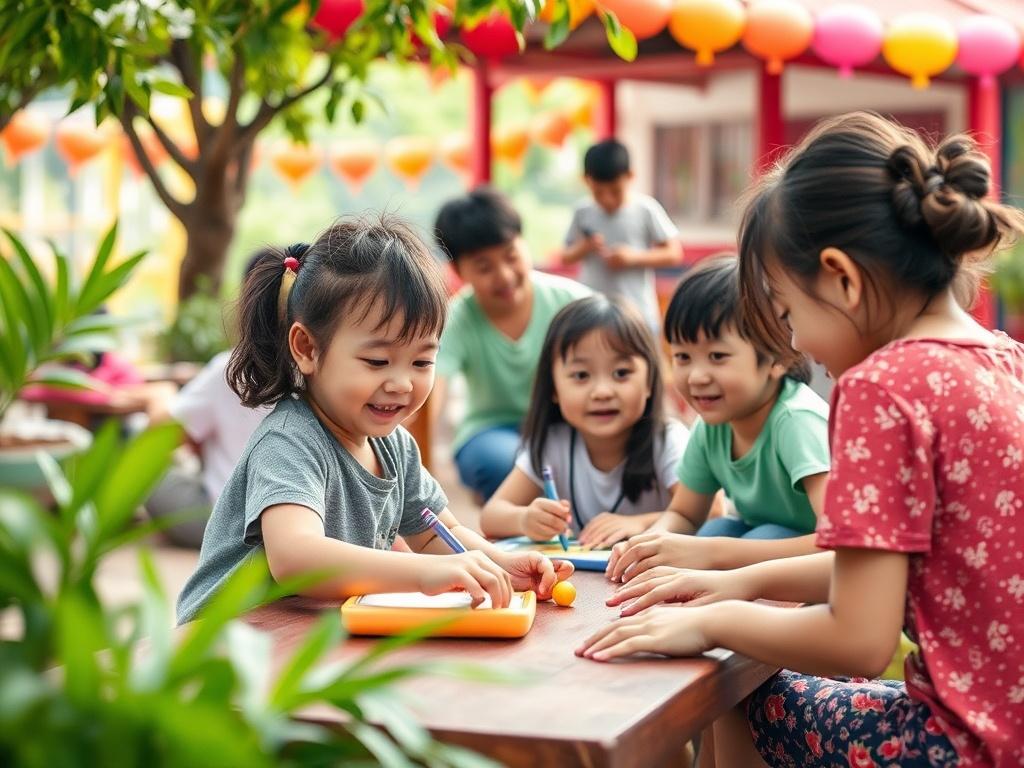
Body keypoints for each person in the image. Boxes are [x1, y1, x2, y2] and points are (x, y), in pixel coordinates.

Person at [577, 112, 1024, 768]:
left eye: (788, 313)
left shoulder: (883, 385)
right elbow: (888, 569)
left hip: (959, 744)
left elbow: (859, 638)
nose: (793, 344)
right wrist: (734, 584)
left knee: (739, 685)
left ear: (841, 278)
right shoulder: (1004, 359)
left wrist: (712, 622)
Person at [176, 217, 572, 624]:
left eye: (422, 361)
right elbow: (294, 557)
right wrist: (425, 574)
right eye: (377, 361)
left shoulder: (395, 446)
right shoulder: (289, 440)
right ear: (307, 348)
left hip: (305, 638)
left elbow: (437, 533)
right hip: (224, 643)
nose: (401, 383)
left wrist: (501, 565)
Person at [606, 255, 830, 582]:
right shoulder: (712, 426)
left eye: (717, 356)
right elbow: (684, 513)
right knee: (716, 528)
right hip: (758, 542)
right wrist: (649, 542)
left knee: (748, 536)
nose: (696, 376)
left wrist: (711, 553)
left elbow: (839, 542)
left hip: (819, 569)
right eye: (682, 356)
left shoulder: (797, 422)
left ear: (777, 357)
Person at [481, 295, 689, 548]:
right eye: (581, 375)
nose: (602, 391)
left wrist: (639, 523)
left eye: (621, 373)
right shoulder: (552, 443)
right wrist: (526, 519)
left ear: (649, 382)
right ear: (554, 388)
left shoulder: (668, 440)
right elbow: (491, 516)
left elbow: (713, 513)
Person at [433, 186, 590, 502]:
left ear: (524, 244)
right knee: (505, 463)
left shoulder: (572, 302)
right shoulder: (457, 319)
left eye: (511, 256)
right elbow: (432, 388)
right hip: (491, 430)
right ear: (458, 271)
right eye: (484, 267)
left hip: (565, 423)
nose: (503, 276)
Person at [147, 249, 278, 548]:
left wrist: (160, 395)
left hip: (229, 525)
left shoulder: (230, 367)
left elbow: (161, 433)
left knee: (151, 473)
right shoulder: (315, 370)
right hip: (302, 518)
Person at [558, 138, 681, 333]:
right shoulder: (583, 212)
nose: (607, 200)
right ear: (586, 181)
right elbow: (565, 256)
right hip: (591, 311)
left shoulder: (645, 209)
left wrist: (632, 258)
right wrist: (585, 247)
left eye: (616, 192)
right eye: (598, 193)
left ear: (630, 176)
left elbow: (674, 253)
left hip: (637, 313)